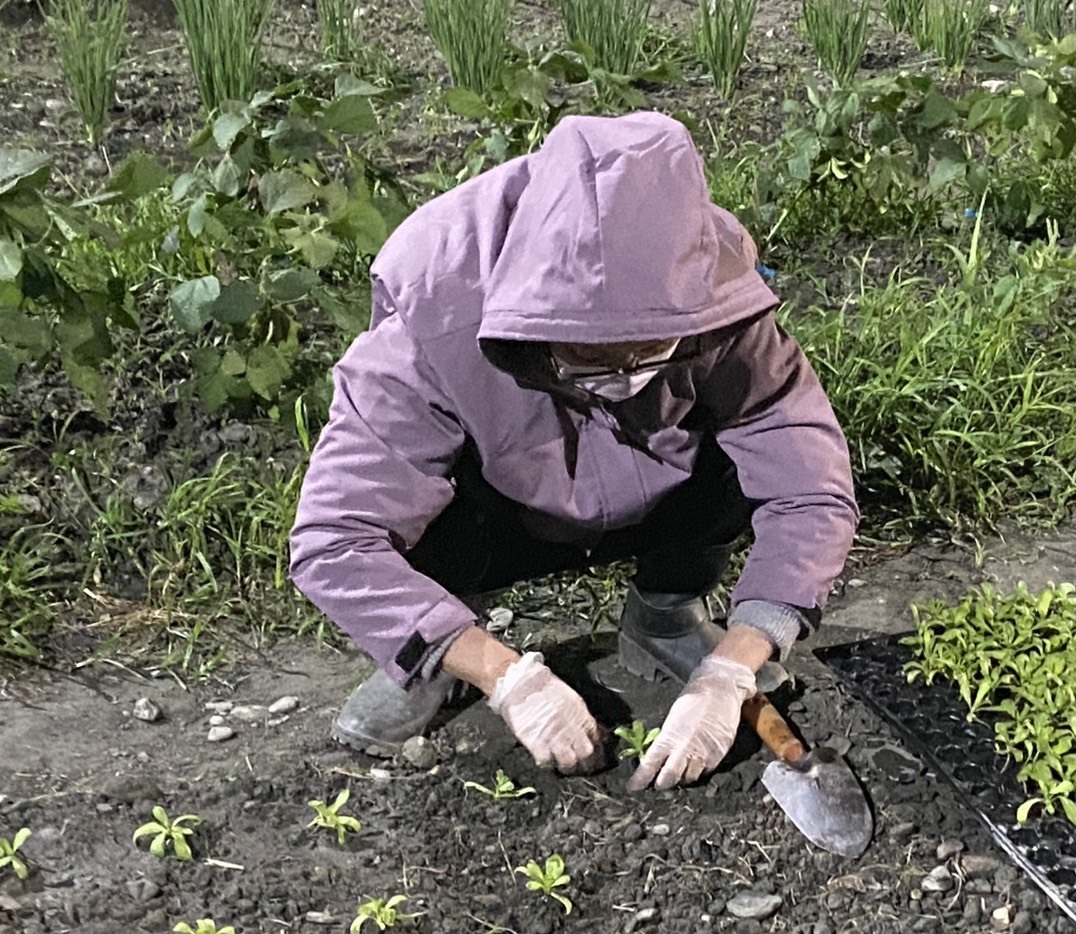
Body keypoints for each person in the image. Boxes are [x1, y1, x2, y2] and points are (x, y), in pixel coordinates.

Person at [289, 111, 858, 791]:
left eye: (648, 350)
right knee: (415, 520)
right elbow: (336, 540)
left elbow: (807, 483)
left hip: (661, 486)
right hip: (497, 502)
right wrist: (509, 678)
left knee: (749, 448)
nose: (624, 375)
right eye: (591, 352)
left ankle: (667, 613)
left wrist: (735, 665)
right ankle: (435, 658)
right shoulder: (434, 308)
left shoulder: (712, 293)